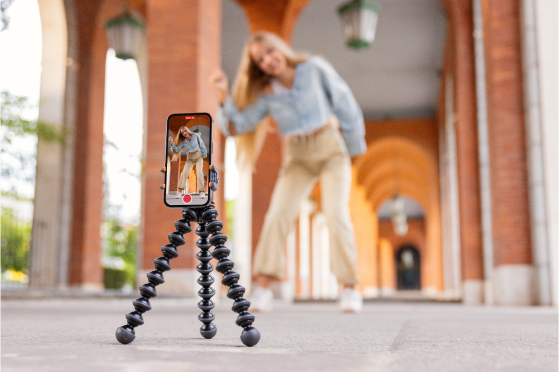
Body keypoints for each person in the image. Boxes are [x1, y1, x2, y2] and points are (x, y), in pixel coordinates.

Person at [210, 31, 366, 313]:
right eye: (261, 60)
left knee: (335, 213)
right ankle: (264, 287)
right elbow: (238, 126)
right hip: (297, 157)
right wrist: (223, 96)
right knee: (277, 215)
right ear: (258, 67)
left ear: (279, 49)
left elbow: (344, 102)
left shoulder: (314, 69)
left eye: (270, 52)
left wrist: (356, 147)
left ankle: (349, 288)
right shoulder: (267, 93)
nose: (269, 60)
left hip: (331, 149)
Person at [169, 126, 208, 198]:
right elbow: (175, 150)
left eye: (185, 131)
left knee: (199, 173)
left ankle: (202, 192)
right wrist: (172, 142)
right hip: (190, 158)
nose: (184, 133)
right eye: (182, 133)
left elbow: (201, 144)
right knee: (184, 173)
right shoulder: (183, 142)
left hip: (198, 156)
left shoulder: (195, 136)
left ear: (188, 130)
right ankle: (179, 192)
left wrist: (204, 154)